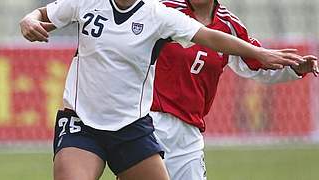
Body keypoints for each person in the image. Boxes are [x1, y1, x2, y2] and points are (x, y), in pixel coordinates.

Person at [19, 0, 308, 179]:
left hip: (134, 130)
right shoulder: (87, 2)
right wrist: (29, 20)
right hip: (86, 122)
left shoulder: (158, 15)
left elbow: (211, 38)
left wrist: (265, 55)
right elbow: (43, 14)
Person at [150, 0, 319, 180]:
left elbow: (256, 64)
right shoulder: (163, 10)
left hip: (188, 135)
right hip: (149, 124)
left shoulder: (230, 26)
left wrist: (294, 69)